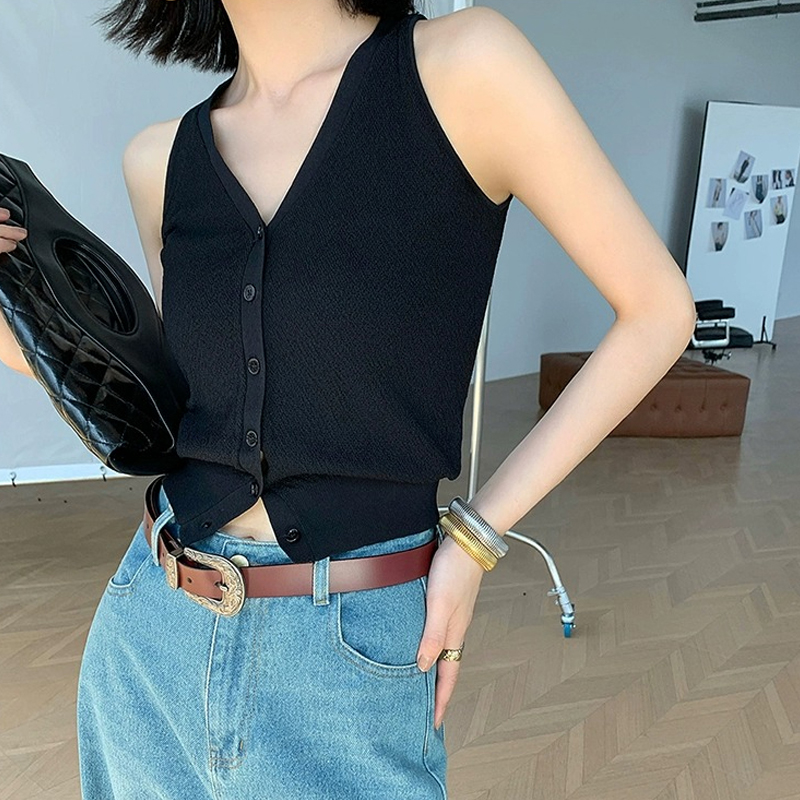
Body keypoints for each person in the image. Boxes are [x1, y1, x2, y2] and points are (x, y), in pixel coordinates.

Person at [0, 2, 696, 797]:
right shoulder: (158, 160)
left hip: (348, 655)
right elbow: (175, 406)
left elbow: (658, 312)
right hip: (150, 641)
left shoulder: (463, 69)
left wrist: (476, 538)